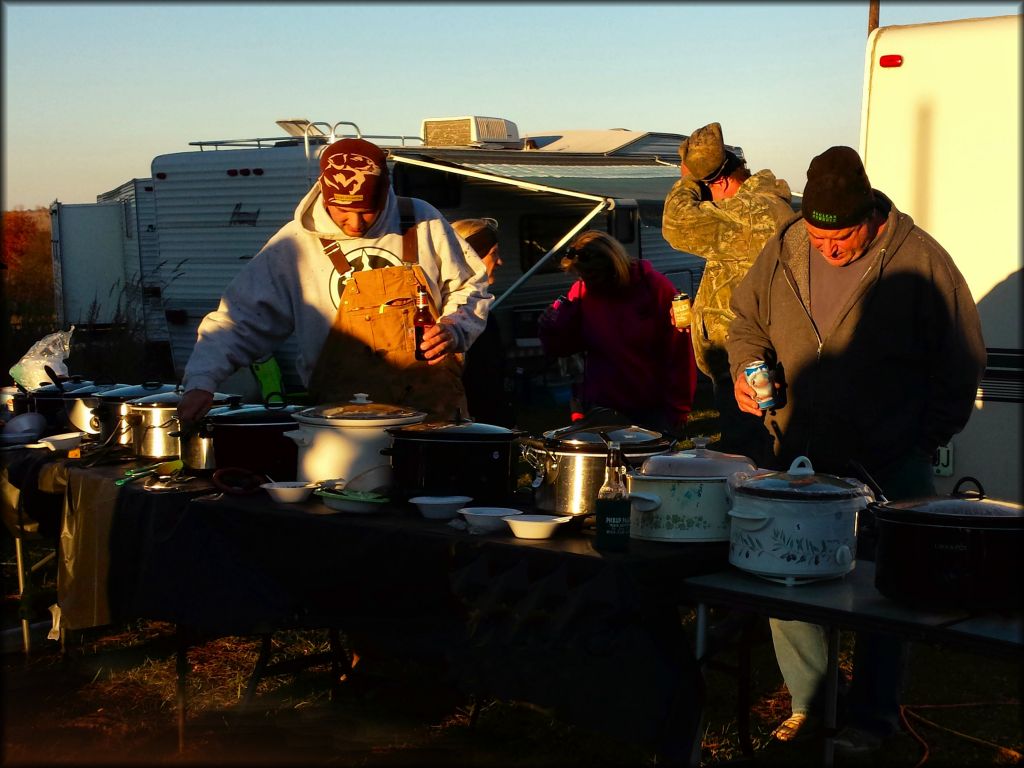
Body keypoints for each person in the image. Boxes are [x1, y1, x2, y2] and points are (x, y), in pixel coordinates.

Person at [726, 146, 986, 753]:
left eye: (840, 237)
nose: (829, 249)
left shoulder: (921, 261)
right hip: (800, 457)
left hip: (891, 459)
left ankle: (874, 718)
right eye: (820, 238)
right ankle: (811, 706)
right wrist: (744, 367)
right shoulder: (785, 248)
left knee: (887, 592)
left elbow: (962, 358)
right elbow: (745, 323)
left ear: (870, 214)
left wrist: (925, 439)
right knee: (788, 577)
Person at [176, 138, 491, 423]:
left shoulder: (421, 219)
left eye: (368, 212)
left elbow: (470, 287)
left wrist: (454, 327)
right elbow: (241, 318)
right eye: (343, 211)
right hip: (341, 418)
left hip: (430, 410)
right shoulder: (295, 244)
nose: (355, 223)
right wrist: (202, 380)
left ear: (385, 194)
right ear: (324, 194)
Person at [662, 122, 794, 464]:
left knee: (750, 463)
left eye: (708, 192)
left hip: (750, 368)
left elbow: (677, 225)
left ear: (719, 181)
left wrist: (689, 178)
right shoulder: (749, 209)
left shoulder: (756, 212)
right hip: (737, 365)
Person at [537, 230, 697, 436]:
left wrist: (678, 409)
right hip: (601, 405)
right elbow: (561, 347)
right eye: (584, 277)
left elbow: (680, 351)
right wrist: (552, 326)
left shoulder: (654, 288)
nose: (589, 283)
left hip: (650, 407)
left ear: (614, 267)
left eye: (594, 277)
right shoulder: (583, 290)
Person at [452, 218, 516, 427]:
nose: (500, 262)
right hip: (470, 429)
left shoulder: (484, 311)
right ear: (473, 258)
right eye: (493, 253)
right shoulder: (459, 315)